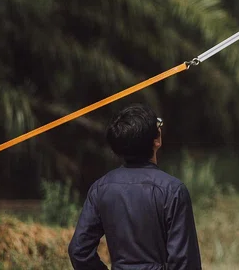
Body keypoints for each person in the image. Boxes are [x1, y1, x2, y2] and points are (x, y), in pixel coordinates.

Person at [68, 103, 202, 270]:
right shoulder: (173, 191)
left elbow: (79, 251)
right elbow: (185, 263)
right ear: (157, 139)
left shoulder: (100, 189)